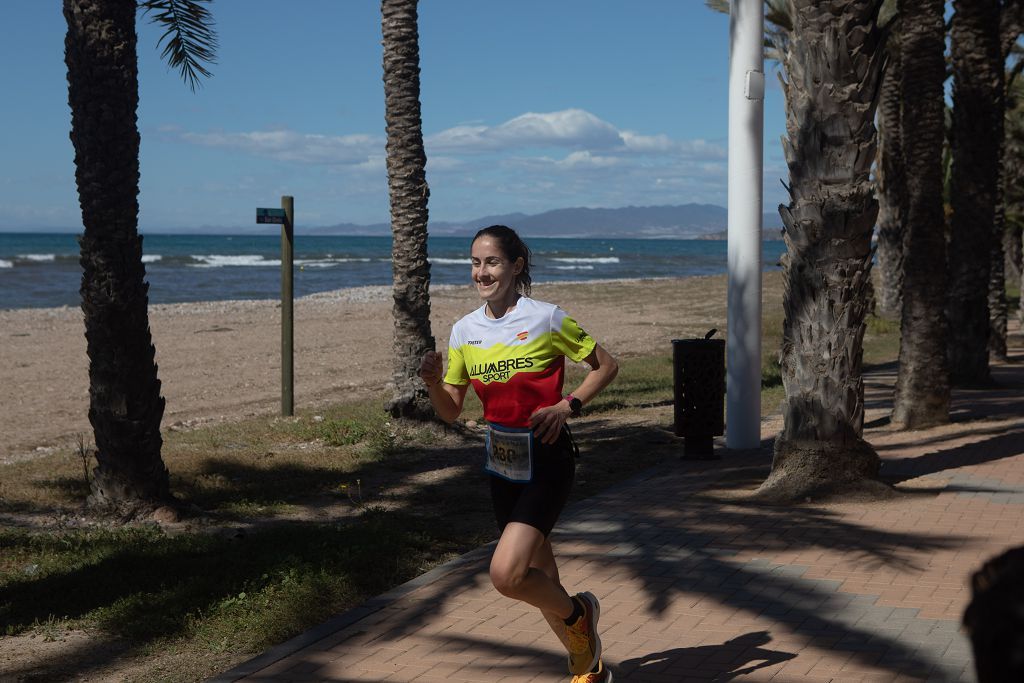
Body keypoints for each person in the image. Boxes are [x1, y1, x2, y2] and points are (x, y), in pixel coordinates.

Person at [419, 225, 619, 683]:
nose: (481, 272)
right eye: (474, 262)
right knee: (541, 578)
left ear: (516, 266)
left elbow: (606, 365)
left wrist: (568, 406)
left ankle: (580, 614)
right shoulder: (464, 330)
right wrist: (433, 382)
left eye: (491, 262)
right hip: (502, 463)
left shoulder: (546, 318)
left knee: (508, 575)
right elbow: (450, 411)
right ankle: (588, 665)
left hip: (547, 458)